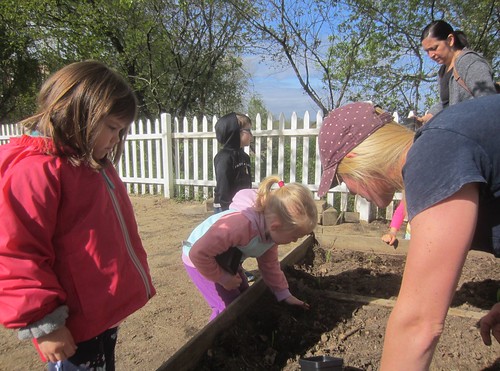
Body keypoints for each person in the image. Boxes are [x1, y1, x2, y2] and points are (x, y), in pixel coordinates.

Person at [317, 98, 500, 369]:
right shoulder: (442, 143)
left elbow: (418, 323)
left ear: (354, 157)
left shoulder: (435, 155)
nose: (351, 191)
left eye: (343, 180)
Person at [0, 61, 156, 370]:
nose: (116, 138)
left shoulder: (89, 163)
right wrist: (45, 324)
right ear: (78, 114)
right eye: (112, 127)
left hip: (97, 313)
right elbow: (16, 254)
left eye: (120, 130)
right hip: (69, 324)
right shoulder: (36, 172)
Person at [182, 175, 317, 321]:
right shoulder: (239, 226)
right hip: (201, 259)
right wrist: (223, 278)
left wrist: (284, 294)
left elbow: (269, 266)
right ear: (276, 226)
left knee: (244, 297)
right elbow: (199, 253)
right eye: (294, 236)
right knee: (228, 307)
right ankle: (213, 341)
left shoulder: (271, 235)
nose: (295, 240)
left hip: (228, 259)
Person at [417, 20, 496, 125]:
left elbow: (488, 101)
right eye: (427, 51)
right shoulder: (442, 72)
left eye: (434, 48)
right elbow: (445, 103)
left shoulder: (469, 62)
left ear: (450, 40)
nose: (431, 55)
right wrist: (423, 119)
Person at [213, 112, 253, 213]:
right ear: (234, 132)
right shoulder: (224, 157)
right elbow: (223, 184)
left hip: (240, 204)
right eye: (248, 130)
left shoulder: (245, 157)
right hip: (225, 206)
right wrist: (226, 209)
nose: (251, 134)